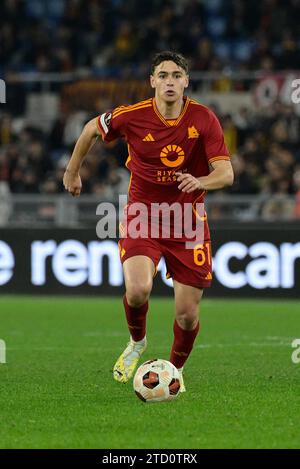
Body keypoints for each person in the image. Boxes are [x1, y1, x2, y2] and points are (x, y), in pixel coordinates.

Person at [63, 51, 234, 392]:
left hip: (188, 222)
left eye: (176, 75)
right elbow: (90, 129)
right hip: (142, 214)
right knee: (138, 290)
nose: (169, 81)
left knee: (187, 315)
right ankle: (137, 342)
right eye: (163, 75)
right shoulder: (134, 116)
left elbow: (226, 174)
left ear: (186, 81)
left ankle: (174, 371)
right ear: (152, 81)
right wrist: (72, 171)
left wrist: (201, 182)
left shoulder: (204, 119)